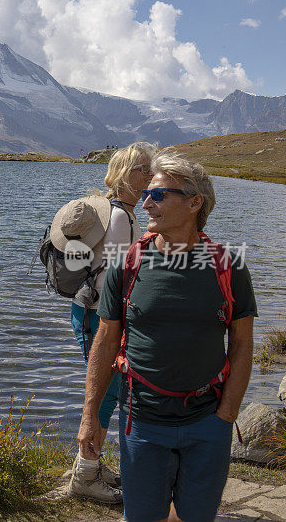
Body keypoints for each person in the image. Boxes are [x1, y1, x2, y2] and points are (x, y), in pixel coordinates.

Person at [77, 152, 257, 521]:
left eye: (158, 195)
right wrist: (89, 415)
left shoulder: (229, 266)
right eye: (146, 194)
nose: (145, 203)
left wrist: (227, 416)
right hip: (141, 423)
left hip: (208, 423)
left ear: (194, 203)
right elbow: (106, 342)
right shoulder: (126, 265)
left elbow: (241, 345)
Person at [65, 142, 156, 503]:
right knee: (103, 392)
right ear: (122, 175)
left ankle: (91, 465)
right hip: (96, 315)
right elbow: (113, 281)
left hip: (104, 315)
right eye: (142, 169)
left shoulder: (128, 214)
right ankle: (84, 476)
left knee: (112, 390)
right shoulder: (120, 218)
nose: (150, 176)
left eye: (151, 169)